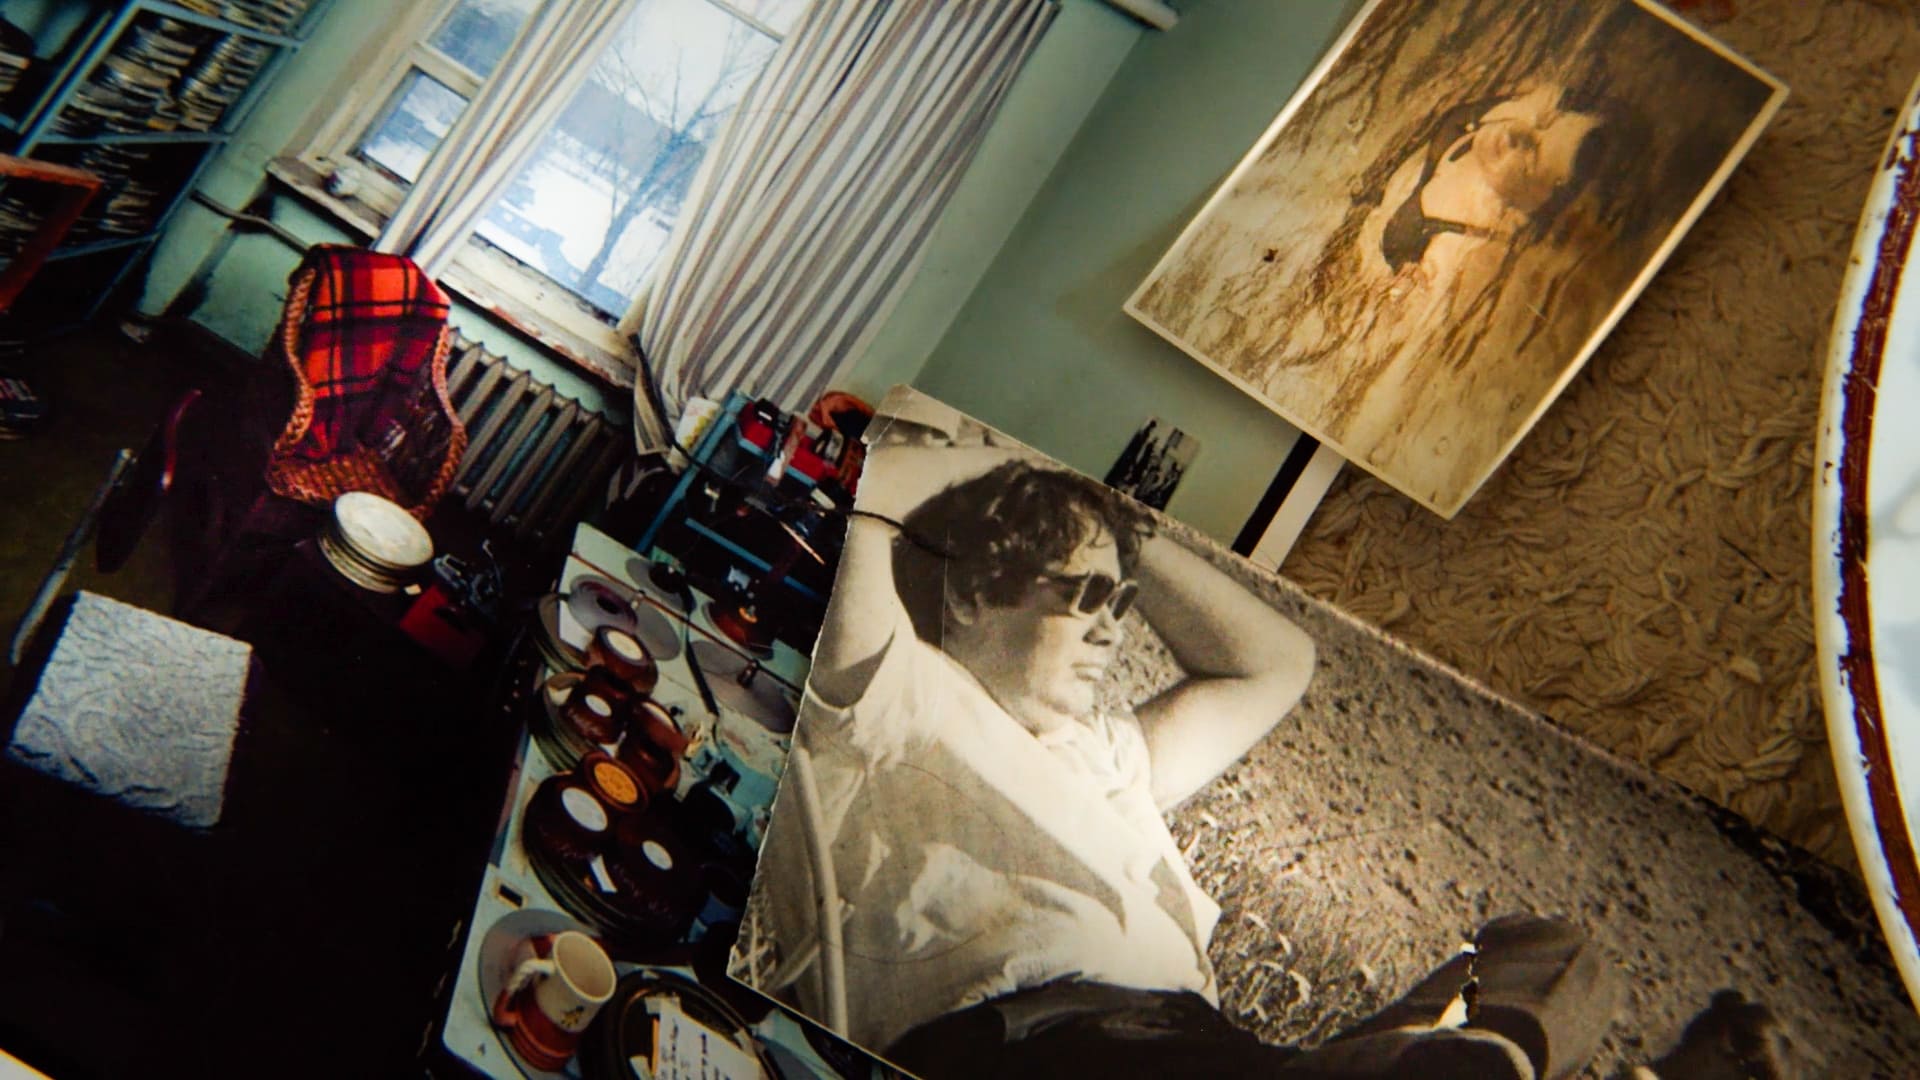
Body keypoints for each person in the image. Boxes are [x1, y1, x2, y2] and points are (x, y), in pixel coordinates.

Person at [747, 430, 1638, 1078]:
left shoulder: (1106, 754)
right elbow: (878, 493)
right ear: (976, 596)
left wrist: (1114, 524)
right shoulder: (901, 694)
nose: (1112, 626)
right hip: (1031, 1046)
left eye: (1122, 601)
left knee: (1558, 955)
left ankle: (1482, 1060)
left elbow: (1278, 662)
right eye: (1086, 595)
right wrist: (1004, 467)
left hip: (1201, 1047)